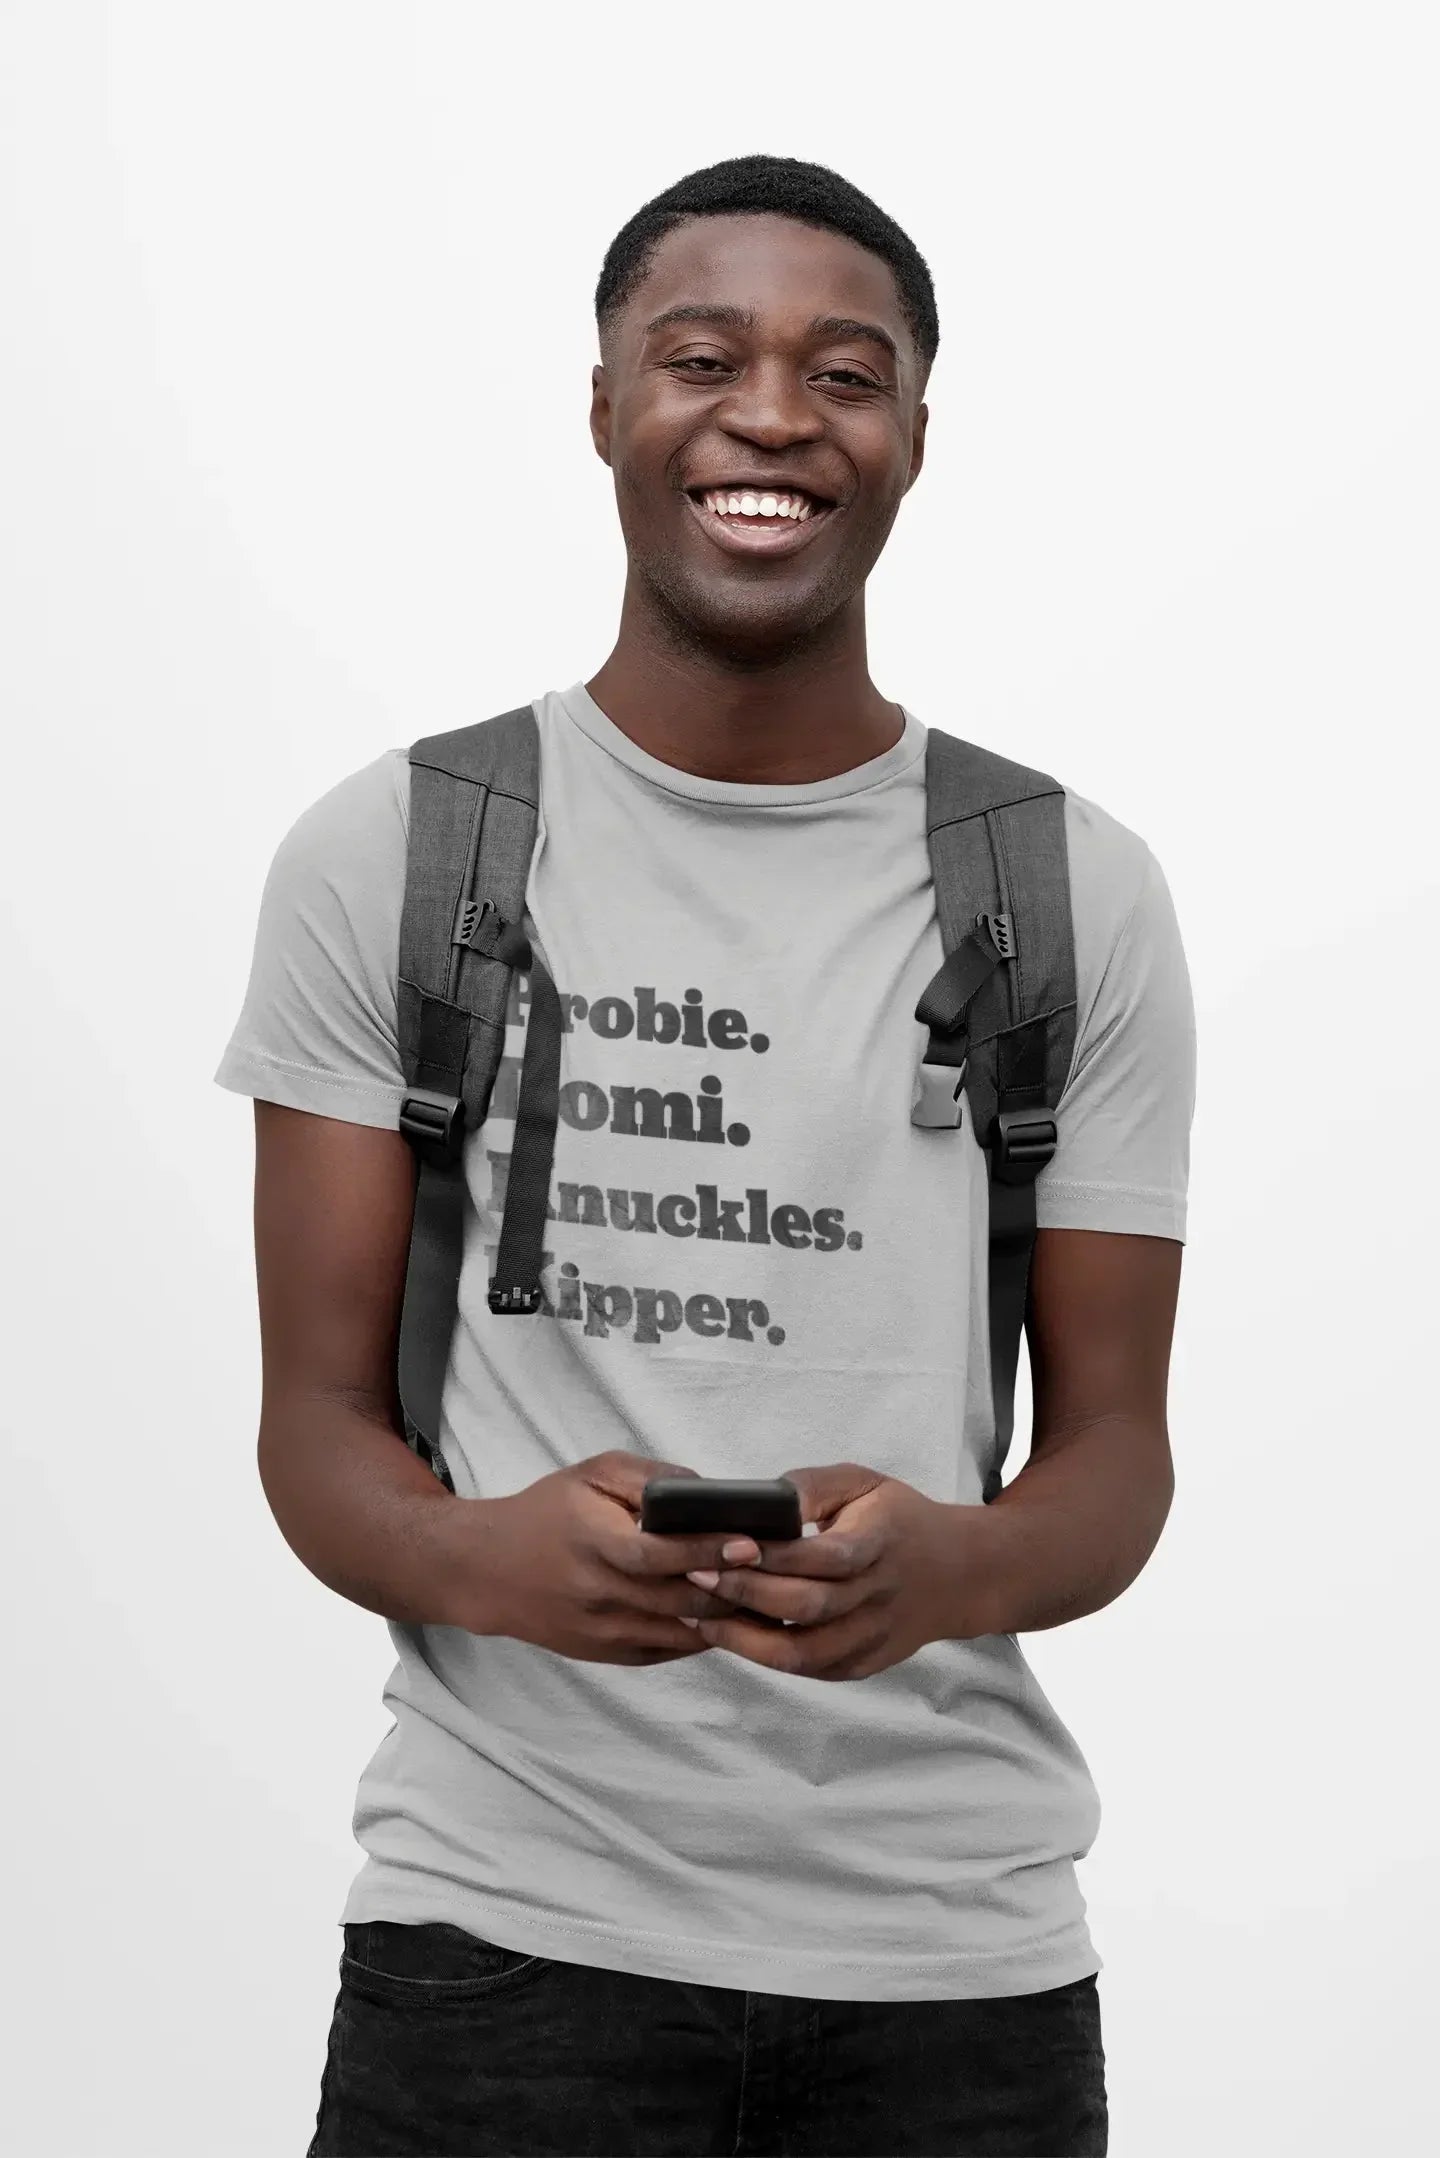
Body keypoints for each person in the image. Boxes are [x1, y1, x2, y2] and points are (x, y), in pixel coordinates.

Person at [215, 153, 1195, 2158]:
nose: (771, 413)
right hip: (496, 1950)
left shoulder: (1065, 889)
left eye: (846, 370)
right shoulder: (395, 851)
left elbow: (1118, 1459)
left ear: (915, 432)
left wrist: (959, 1564)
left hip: (956, 1988)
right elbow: (312, 1426)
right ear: (602, 409)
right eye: (700, 356)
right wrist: (481, 1550)